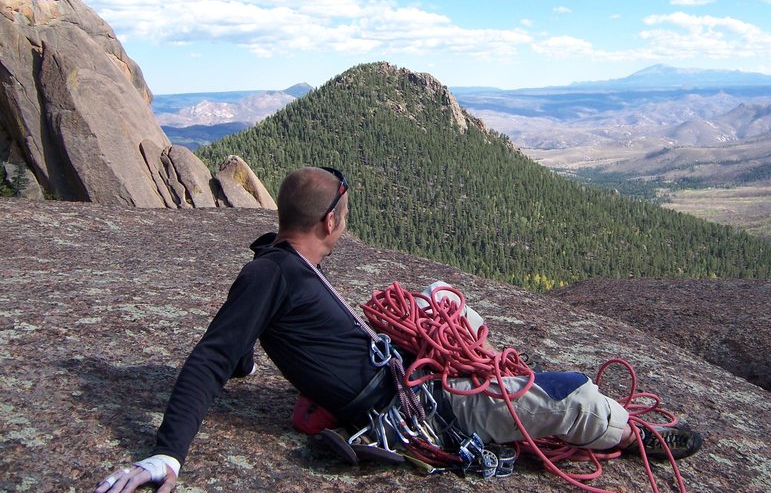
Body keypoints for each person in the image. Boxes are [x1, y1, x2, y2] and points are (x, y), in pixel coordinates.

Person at [95, 167, 701, 493]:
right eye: (346, 214)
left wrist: (248, 360)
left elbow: (236, 345)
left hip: (406, 378)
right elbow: (208, 357)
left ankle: (491, 369)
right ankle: (628, 435)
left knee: (446, 306)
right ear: (331, 219)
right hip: (419, 407)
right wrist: (166, 455)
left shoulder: (279, 264)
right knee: (573, 393)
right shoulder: (269, 277)